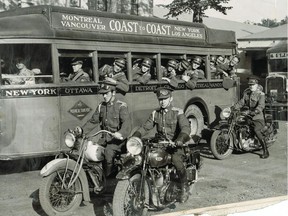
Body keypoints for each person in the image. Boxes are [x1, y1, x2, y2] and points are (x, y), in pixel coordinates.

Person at [132, 86, 191, 203]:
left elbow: (185, 128)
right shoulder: (155, 113)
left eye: (165, 98)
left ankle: (184, 187)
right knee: (144, 157)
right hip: (160, 145)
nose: (162, 101)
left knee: (176, 160)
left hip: (175, 146)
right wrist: (135, 136)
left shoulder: (177, 112)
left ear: (171, 98)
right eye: (160, 99)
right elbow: (145, 127)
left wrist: (179, 140)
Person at [83, 81, 131, 179]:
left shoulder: (121, 106)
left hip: (117, 141)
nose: (104, 96)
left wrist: (120, 133)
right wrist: (81, 131)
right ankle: (95, 176)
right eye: (103, 94)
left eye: (106, 93)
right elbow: (93, 121)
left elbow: (127, 124)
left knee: (108, 152)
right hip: (104, 139)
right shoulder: (102, 106)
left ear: (113, 93)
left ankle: (109, 179)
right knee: (90, 151)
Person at [232, 76, 268, 159]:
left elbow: (261, 106)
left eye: (253, 84)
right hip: (248, 114)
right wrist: (233, 108)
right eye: (250, 85)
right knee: (239, 124)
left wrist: (255, 111)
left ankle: (265, 151)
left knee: (256, 130)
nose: (251, 86)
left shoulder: (260, 94)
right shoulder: (247, 93)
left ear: (257, 84)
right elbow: (241, 102)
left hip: (257, 116)